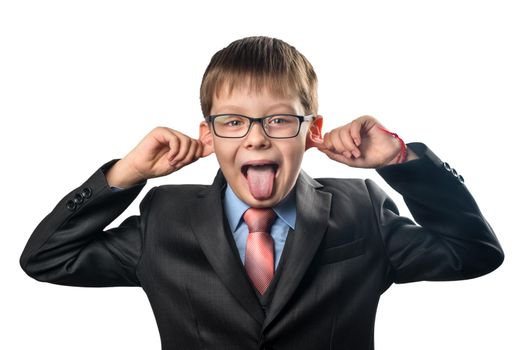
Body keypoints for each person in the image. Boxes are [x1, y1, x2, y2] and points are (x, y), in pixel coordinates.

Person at [20, 36, 504, 349]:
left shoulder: (362, 210)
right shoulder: (164, 220)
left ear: (311, 131)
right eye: (232, 121)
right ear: (208, 136)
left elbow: (474, 254)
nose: (255, 138)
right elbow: (46, 259)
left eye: (278, 119)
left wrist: (401, 161)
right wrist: (124, 175)